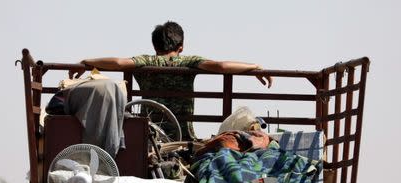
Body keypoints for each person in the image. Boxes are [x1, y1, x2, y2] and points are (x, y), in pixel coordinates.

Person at [69, 21, 272, 140]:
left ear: (154, 45)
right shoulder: (188, 61)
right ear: (181, 46)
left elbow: (119, 63)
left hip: (150, 137)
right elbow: (221, 67)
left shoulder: (146, 62)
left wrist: (86, 62)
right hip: (183, 136)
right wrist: (254, 66)